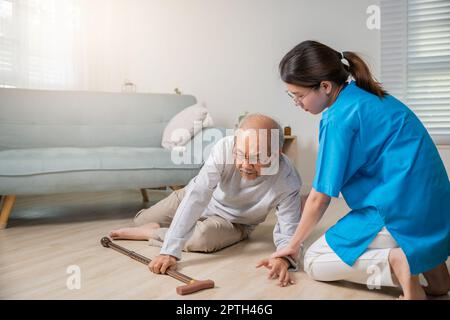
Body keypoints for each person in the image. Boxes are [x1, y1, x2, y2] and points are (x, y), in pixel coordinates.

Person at [264, 40, 450, 299]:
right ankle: (425, 265)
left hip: (397, 210)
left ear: (325, 87)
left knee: (314, 260)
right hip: (435, 205)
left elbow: (320, 197)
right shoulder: (371, 96)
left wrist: (292, 247)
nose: (297, 102)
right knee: (440, 290)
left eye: (299, 95)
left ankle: (396, 261)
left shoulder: (338, 117)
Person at [110, 114, 303, 287]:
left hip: (236, 221)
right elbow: (197, 196)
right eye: (241, 154)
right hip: (197, 197)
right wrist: (170, 249)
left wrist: (284, 259)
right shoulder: (224, 147)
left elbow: (290, 231)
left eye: (255, 158)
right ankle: (150, 228)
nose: (245, 165)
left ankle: (152, 233)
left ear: (277, 153)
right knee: (140, 220)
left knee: (203, 238)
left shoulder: (288, 180)